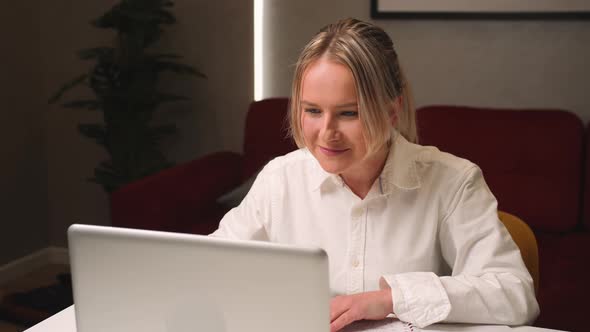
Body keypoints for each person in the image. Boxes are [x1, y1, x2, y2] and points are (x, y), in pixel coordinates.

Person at [211, 18, 539, 331]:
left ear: (391, 111)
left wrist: (390, 299)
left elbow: (514, 294)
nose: (326, 133)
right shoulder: (279, 179)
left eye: (348, 113)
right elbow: (207, 268)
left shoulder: (452, 181)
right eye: (312, 110)